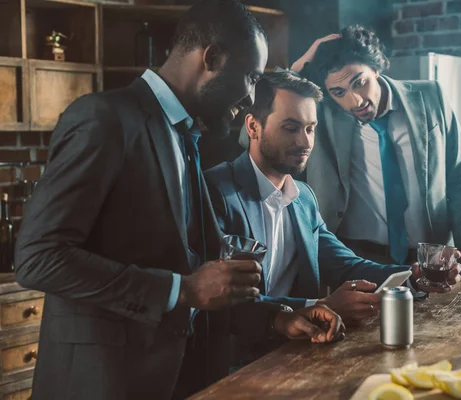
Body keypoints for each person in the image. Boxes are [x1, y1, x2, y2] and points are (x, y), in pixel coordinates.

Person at [13, 2, 344, 400]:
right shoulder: (105, 119)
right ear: (212, 58)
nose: (251, 94)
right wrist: (179, 290)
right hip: (100, 383)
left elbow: (199, 277)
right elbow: (38, 257)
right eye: (251, 76)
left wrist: (279, 318)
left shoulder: (185, 137)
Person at [207, 72, 461, 322]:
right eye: (291, 128)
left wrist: (413, 277)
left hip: (299, 351)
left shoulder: (304, 198)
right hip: (238, 361)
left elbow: (346, 266)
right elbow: (220, 302)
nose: (305, 142)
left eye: (310, 128)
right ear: (253, 126)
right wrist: (319, 306)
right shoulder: (215, 190)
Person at [289, 26, 461, 273]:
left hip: (433, 258)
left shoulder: (431, 97)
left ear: (376, 69)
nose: (354, 100)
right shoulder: (323, 115)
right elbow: (255, 131)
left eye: (359, 83)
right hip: (356, 260)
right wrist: (297, 68)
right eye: (339, 92)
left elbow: (460, 178)